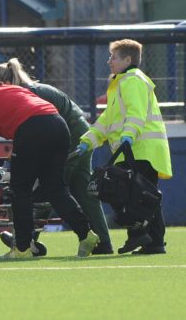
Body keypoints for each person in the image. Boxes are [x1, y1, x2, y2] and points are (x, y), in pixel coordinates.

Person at [0, 58, 113, 255]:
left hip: (70, 136)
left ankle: (26, 241)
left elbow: (31, 128)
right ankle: (102, 243)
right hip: (80, 134)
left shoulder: (24, 94)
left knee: (48, 187)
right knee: (82, 190)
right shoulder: (33, 90)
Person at [77, 38, 172, 255]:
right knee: (142, 196)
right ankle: (150, 241)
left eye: (114, 57)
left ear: (128, 59)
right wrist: (88, 140)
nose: (109, 61)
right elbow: (106, 120)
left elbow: (135, 113)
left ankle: (145, 238)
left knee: (134, 195)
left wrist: (128, 135)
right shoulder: (121, 83)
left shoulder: (133, 80)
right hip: (133, 149)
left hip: (140, 148)